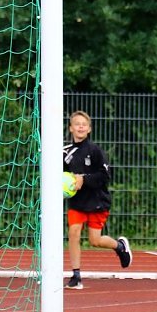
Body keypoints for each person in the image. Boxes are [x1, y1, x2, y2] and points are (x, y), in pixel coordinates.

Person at [63, 110, 132, 289]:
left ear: (89, 129)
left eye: (84, 124)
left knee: (95, 240)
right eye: (77, 124)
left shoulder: (95, 151)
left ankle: (119, 246)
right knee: (74, 232)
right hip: (77, 202)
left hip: (96, 200)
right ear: (71, 128)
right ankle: (76, 275)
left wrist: (83, 179)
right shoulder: (65, 152)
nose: (80, 127)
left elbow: (105, 175)